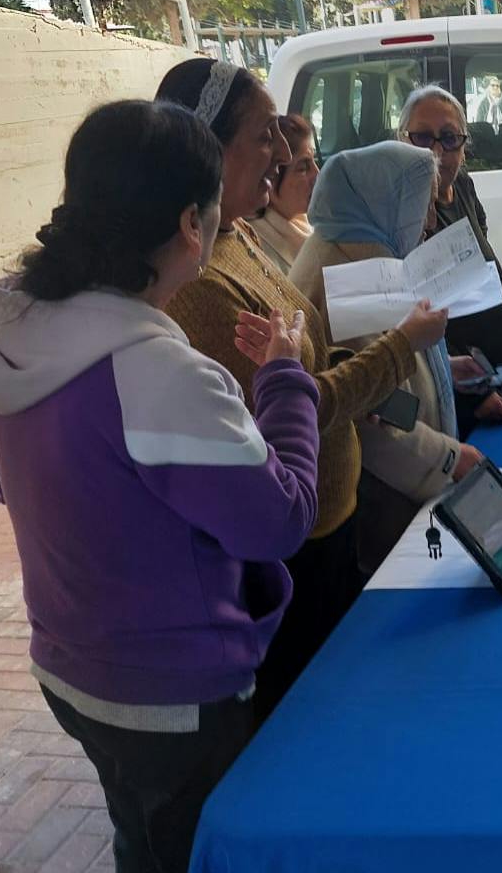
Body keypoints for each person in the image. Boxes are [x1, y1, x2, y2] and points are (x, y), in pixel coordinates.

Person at [0, 100, 321, 871]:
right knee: (189, 850)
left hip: (70, 666)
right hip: (170, 697)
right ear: (193, 226)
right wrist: (285, 378)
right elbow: (282, 519)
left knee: (143, 835)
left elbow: (3, 474)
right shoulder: (155, 372)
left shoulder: (13, 330)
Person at [156, 58, 447, 718]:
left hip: (332, 520)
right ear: (209, 148)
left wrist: (398, 382)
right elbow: (301, 407)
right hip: (296, 549)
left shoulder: (236, 235)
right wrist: (403, 347)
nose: (285, 155)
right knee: (312, 720)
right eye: (265, 137)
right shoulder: (200, 284)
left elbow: (311, 357)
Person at [290, 142, 487, 574]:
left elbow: (385, 379)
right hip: (383, 505)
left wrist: (441, 371)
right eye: (421, 205)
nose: (430, 221)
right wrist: (447, 457)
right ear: (385, 202)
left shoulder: (357, 251)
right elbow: (372, 408)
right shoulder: (346, 279)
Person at [399, 85, 502, 435]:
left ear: (464, 145)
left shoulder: (463, 185)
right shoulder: (405, 214)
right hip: (456, 391)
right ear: (402, 140)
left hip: (491, 375)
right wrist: (472, 399)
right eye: (423, 138)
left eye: (450, 138)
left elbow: (479, 240)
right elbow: (411, 316)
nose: (437, 151)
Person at [253, 113, 319, 275]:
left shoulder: (305, 225)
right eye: (303, 168)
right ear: (271, 177)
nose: (317, 174)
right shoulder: (259, 249)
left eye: (315, 161)